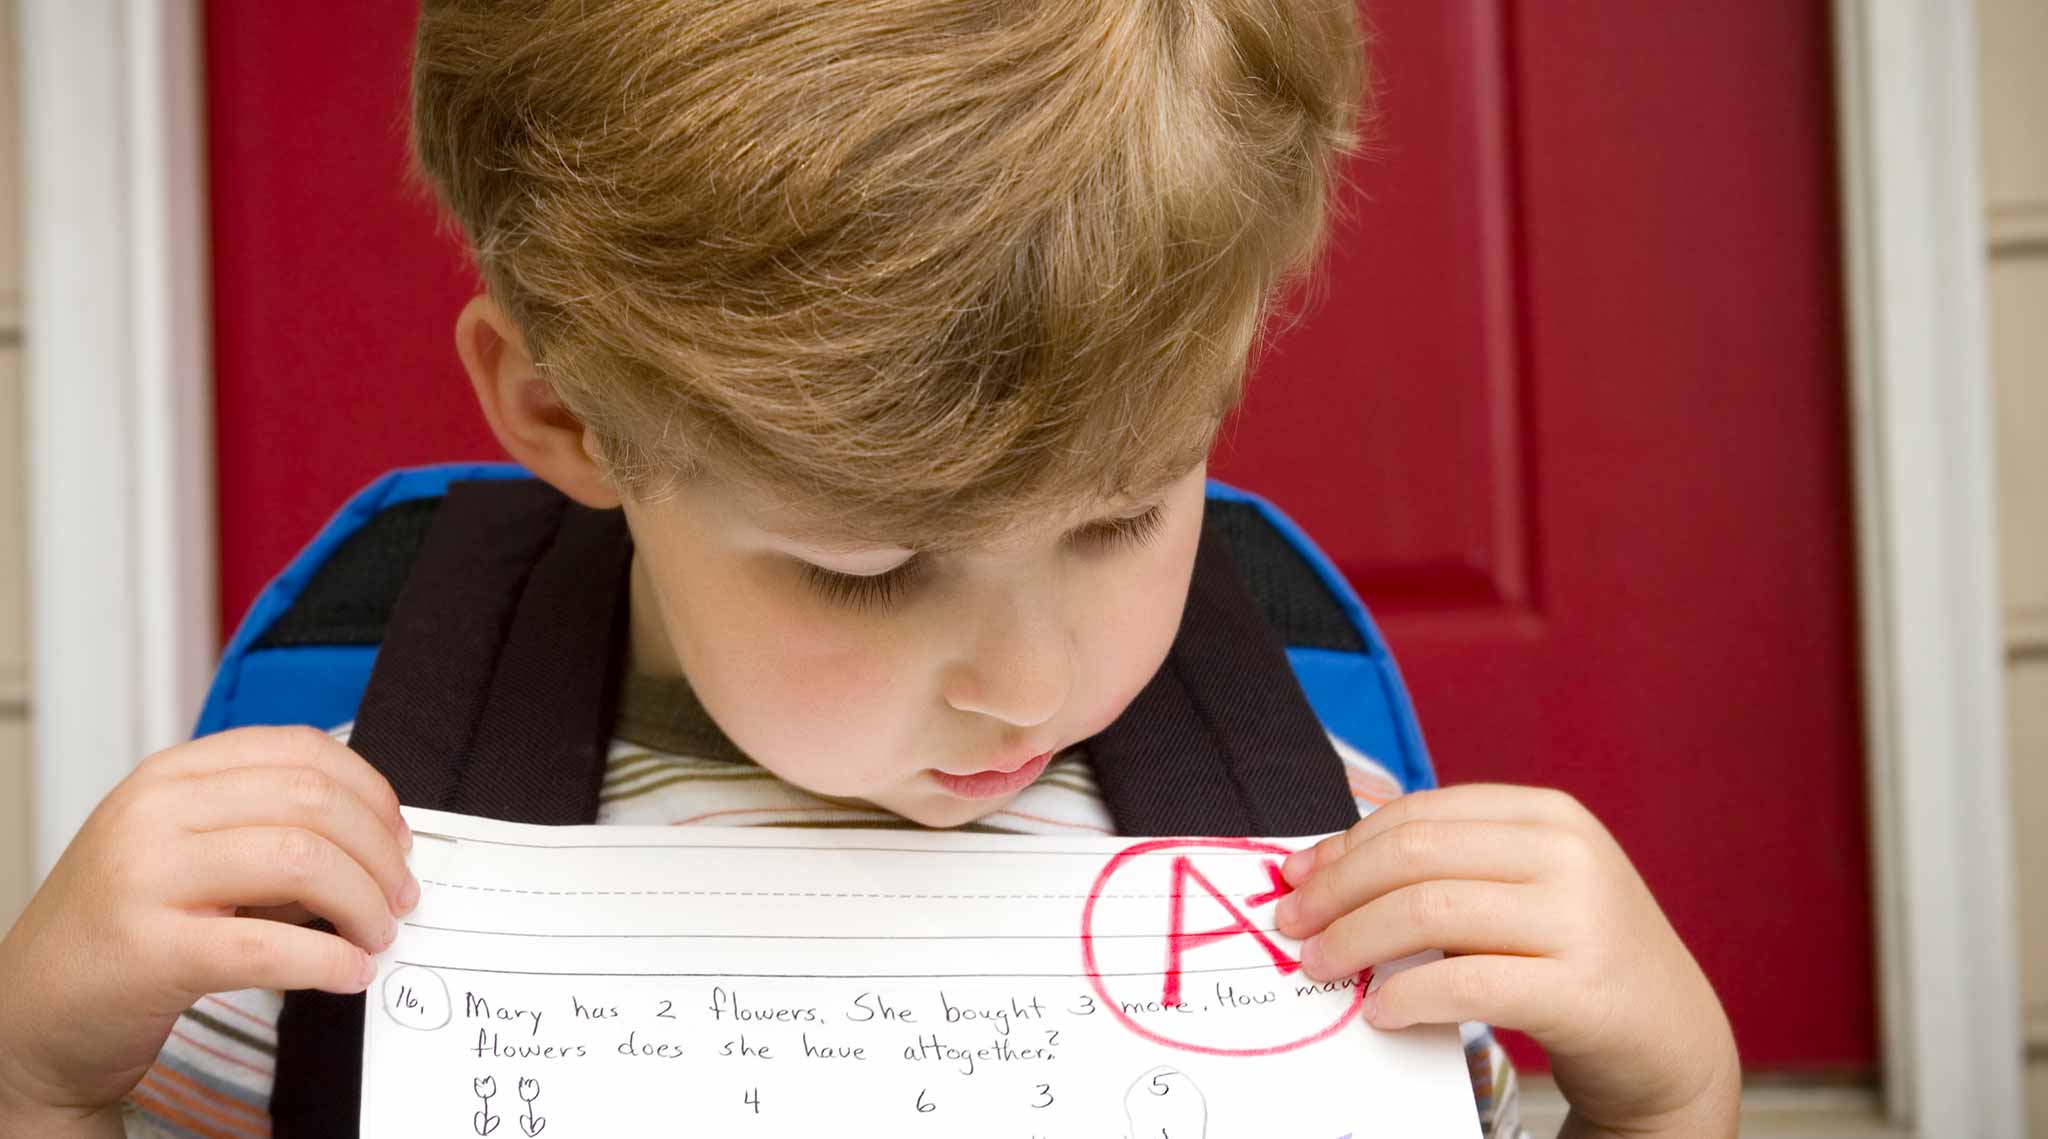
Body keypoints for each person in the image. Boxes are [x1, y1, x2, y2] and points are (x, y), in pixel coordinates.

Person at [0, 1, 1740, 1136]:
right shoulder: (350, 888)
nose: (1027, 681)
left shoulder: (1305, 832)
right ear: (567, 414)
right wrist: (41, 1068)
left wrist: (1661, 1100)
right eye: (862, 572)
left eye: (1124, 514)